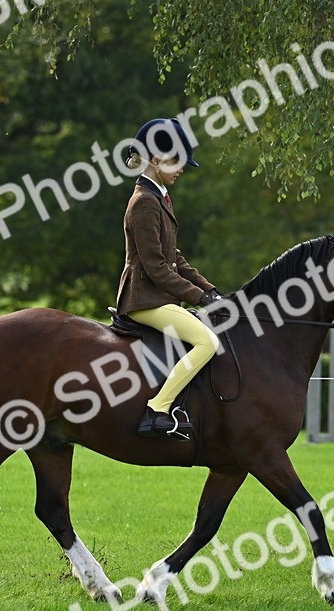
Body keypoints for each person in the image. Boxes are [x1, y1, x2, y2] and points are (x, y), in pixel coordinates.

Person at [115, 118, 225, 438]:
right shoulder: (143, 202)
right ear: (156, 159)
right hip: (143, 298)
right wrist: (200, 299)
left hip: (159, 296)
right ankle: (158, 409)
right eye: (177, 161)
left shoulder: (160, 196)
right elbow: (156, 268)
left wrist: (212, 291)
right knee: (207, 341)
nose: (182, 169)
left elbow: (175, 258)